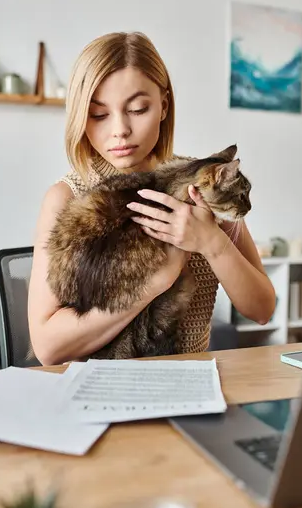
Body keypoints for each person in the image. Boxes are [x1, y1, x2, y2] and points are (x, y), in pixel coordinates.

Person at [28, 31, 275, 365]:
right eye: (99, 114)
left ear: (163, 106)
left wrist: (212, 242)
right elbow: (48, 349)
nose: (120, 130)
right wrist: (158, 281)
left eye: (138, 109)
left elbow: (262, 309)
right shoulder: (68, 198)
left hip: (189, 390)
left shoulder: (204, 187)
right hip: (95, 393)